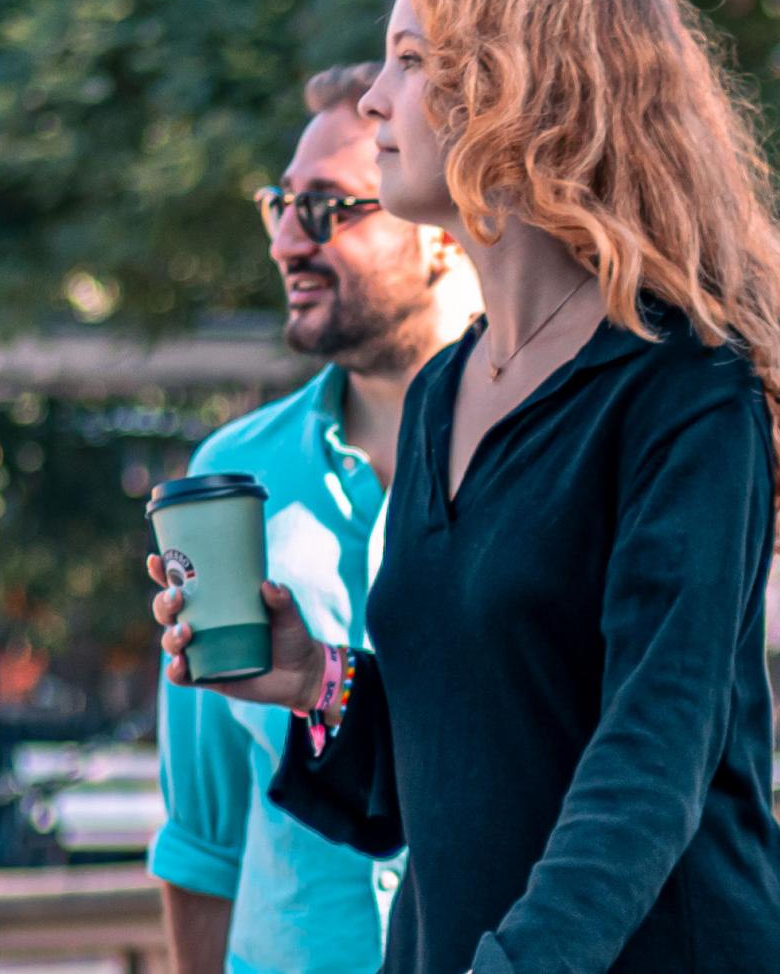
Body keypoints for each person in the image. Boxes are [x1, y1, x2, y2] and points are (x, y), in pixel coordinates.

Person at [150, 0, 780, 972]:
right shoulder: (443, 391)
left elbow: (644, 764)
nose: (377, 98)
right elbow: (466, 762)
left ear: (524, 101)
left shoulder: (684, 395)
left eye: (408, 60)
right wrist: (315, 681)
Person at [152, 63, 480, 973]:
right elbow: (203, 832)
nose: (288, 242)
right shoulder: (228, 476)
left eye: (331, 209)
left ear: (446, 232)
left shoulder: (545, 455)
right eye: (281, 205)